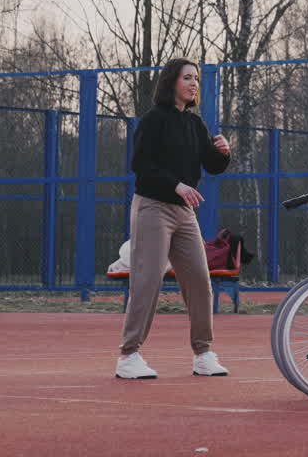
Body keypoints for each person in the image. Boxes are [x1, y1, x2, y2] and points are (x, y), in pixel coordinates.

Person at [115, 58, 232, 380]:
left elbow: (213, 166)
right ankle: (128, 356)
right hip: (153, 207)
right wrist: (176, 184)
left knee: (199, 281)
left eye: (196, 79)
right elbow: (141, 164)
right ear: (172, 82)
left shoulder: (195, 124)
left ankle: (203, 354)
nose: (194, 84)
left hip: (184, 213)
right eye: (187, 78)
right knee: (147, 281)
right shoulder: (154, 120)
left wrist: (224, 152)